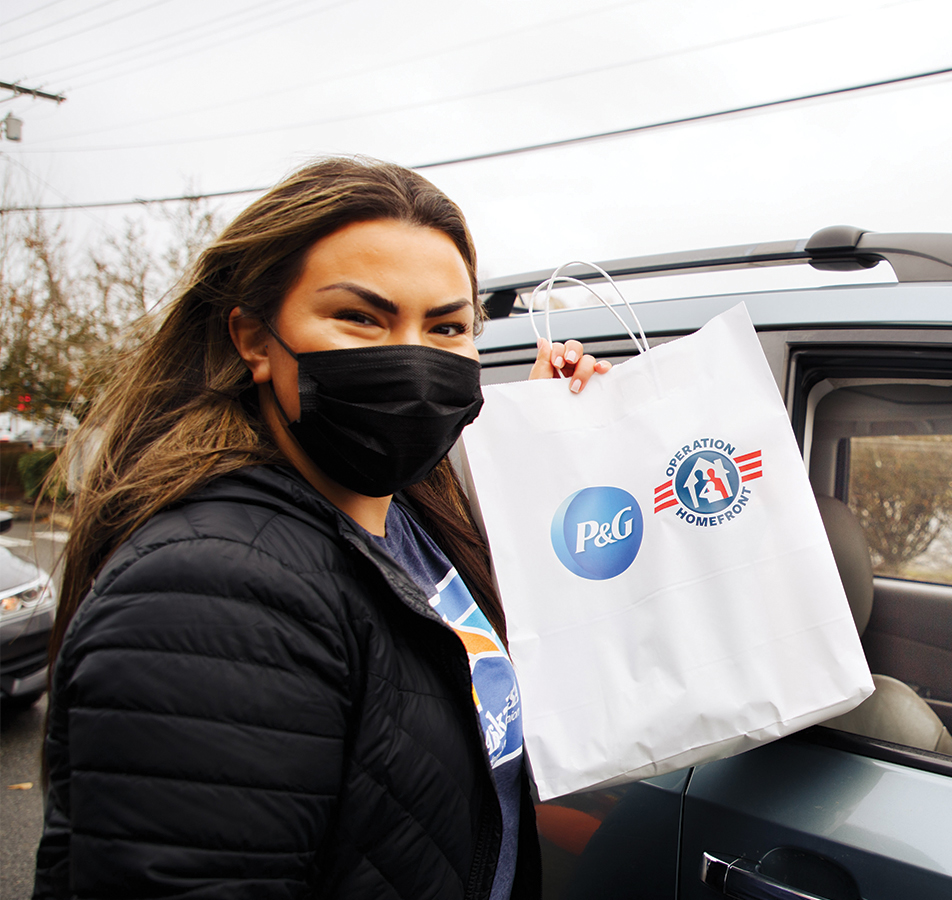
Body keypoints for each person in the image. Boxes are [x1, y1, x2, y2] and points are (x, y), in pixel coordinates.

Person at [33, 158, 610, 898]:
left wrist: (547, 445)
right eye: (362, 318)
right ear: (254, 338)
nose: (411, 358)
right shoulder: (212, 592)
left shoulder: (408, 524)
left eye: (447, 327)